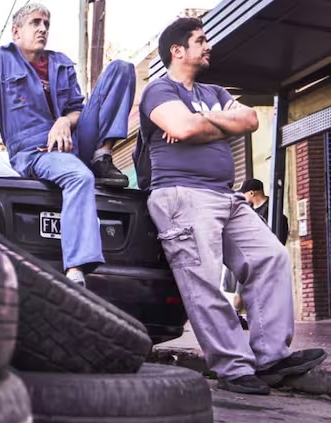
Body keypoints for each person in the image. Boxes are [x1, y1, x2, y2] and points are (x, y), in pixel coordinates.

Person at [139, 17, 326, 395]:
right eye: (201, 40)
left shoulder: (213, 91)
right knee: (204, 283)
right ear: (178, 51)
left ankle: (271, 358)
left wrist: (203, 117)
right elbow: (184, 128)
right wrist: (218, 123)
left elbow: (251, 119)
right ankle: (232, 367)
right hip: (182, 196)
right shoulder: (158, 90)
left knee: (271, 257)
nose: (209, 46)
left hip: (226, 197)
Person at [0, 3, 136, 285]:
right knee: (80, 177)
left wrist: (64, 121)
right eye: (35, 23)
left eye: (46, 24)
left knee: (122, 69)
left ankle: (102, 155)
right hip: (36, 150)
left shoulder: (60, 62)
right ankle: (76, 269)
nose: (43, 28)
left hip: (75, 140)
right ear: (16, 31)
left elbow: (77, 109)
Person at [232, 178, 290, 313]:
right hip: (248, 260)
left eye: (244, 193)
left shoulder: (272, 210)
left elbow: (280, 235)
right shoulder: (248, 211)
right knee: (239, 297)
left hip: (265, 261)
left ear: (251, 193)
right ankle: (238, 318)